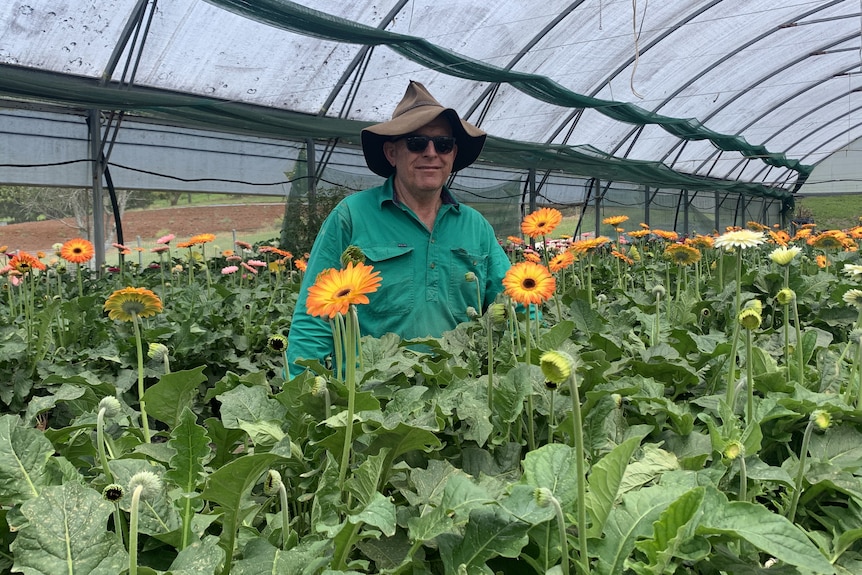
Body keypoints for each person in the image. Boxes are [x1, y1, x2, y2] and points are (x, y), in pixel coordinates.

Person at [286, 80, 511, 378]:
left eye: (443, 144)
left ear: (453, 154)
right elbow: (314, 316)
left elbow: (515, 301)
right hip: (370, 401)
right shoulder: (352, 216)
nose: (431, 153)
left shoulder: (475, 226)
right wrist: (303, 399)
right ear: (392, 153)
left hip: (459, 396)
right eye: (417, 143)